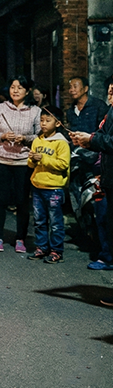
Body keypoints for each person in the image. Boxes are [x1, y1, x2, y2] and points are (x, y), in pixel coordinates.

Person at [0, 76, 41, 253]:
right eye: (12, 87)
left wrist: (25, 139)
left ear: (27, 91)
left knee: (22, 201)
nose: (15, 90)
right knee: (1, 199)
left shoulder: (35, 111)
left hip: (24, 162)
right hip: (1, 160)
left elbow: (40, 136)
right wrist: (2, 136)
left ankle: (20, 239)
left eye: (19, 88)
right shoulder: (0, 108)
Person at [72, 75, 113, 272]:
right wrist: (86, 139)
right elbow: (102, 138)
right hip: (105, 174)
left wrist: (91, 140)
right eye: (109, 90)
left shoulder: (99, 109)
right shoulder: (110, 112)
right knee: (104, 217)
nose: (111, 94)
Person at [26, 105, 70, 263]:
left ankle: (57, 251)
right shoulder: (37, 140)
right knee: (39, 220)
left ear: (57, 123)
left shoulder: (61, 143)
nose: (43, 123)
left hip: (54, 188)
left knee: (56, 222)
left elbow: (63, 164)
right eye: (41, 120)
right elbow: (31, 165)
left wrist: (43, 159)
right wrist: (32, 159)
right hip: (38, 186)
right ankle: (41, 247)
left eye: (47, 120)